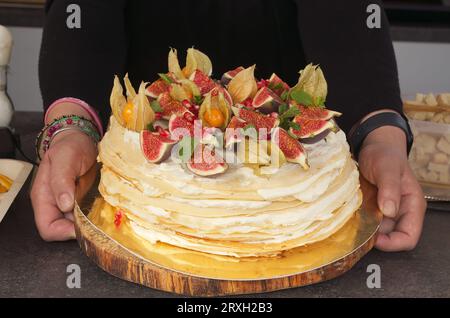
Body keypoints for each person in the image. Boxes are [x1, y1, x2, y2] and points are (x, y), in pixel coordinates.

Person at [31, 0, 426, 251]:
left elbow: (347, 16)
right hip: (147, 148)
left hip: (285, 158)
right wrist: (70, 128)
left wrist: (380, 134)